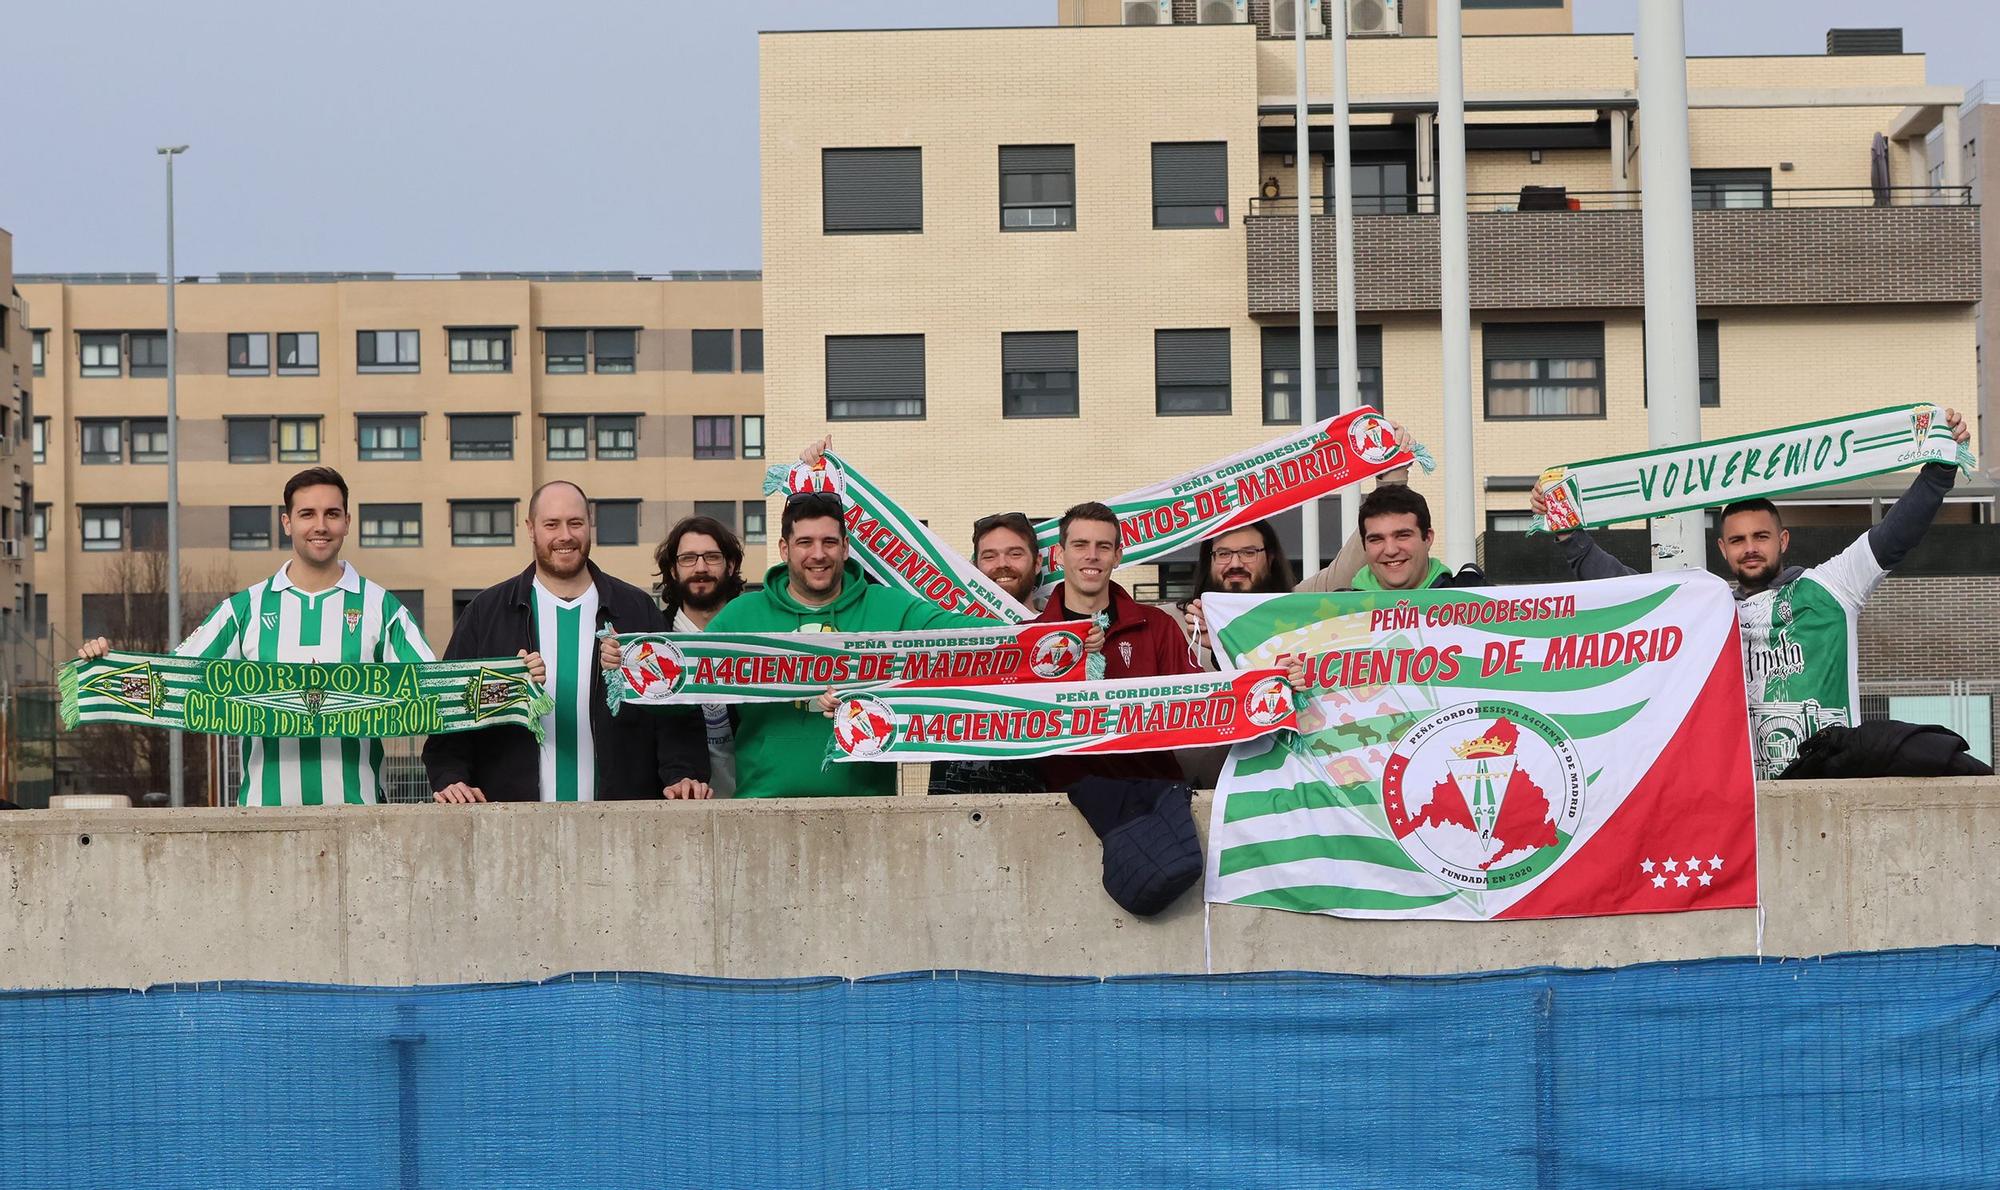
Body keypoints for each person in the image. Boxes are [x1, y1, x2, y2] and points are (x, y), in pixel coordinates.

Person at [1531, 407, 1973, 779]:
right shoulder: (1707, 607)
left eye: (1761, 537)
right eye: (1738, 540)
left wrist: (1937, 472)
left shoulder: (1832, 586)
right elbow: (1628, 589)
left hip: (1830, 780)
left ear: (1782, 540)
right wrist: (1571, 537)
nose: (1751, 548)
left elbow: (1895, 534)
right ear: (1722, 549)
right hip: (1742, 797)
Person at [77, 467, 438, 806]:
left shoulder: (382, 607)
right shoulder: (245, 608)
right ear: (287, 522)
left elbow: (436, 690)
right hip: (264, 816)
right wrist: (108, 663)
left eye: (332, 513)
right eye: (307, 514)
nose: (320, 525)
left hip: (359, 815)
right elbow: (174, 676)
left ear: (347, 522)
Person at [424, 481, 710, 803]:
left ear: (590, 525)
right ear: (530, 529)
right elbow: (449, 706)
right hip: (513, 826)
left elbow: (676, 708)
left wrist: (684, 774)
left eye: (576, 523)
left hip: (621, 825)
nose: (566, 536)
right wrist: (451, 778)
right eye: (552, 524)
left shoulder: (636, 609)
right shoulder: (486, 613)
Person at [698, 490, 993, 797]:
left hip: (867, 814)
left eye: (829, 542)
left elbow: (964, 635)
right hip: (762, 810)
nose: (818, 554)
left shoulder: (891, 608)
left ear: (846, 547)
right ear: (784, 549)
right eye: (805, 542)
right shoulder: (741, 616)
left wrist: (1039, 631)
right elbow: (680, 688)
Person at [1035, 501, 1201, 791]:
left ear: (1117, 555)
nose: (1092, 556)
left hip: (1151, 795)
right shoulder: (1031, 637)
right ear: (1060, 555)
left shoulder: (1156, 626)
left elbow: (1202, 702)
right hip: (1055, 801)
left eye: (1103, 547)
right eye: (1080, 545)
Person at [927, 511, 1054, 795]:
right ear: (974, 567)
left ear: (1037, 563)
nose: (1002, 565)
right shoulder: (944, 632)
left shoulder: (1062, 634)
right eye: (990, 556)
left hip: (1046, 807)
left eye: (1015, 554)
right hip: (953, 805)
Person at [656, 514, 747, 797]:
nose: (700, 567)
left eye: (711, 557)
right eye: (688, 558)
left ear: (730, 565)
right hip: (681, 803)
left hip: (756, 795)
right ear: (673, 569)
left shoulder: (754, 635)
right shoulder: (652, 643)